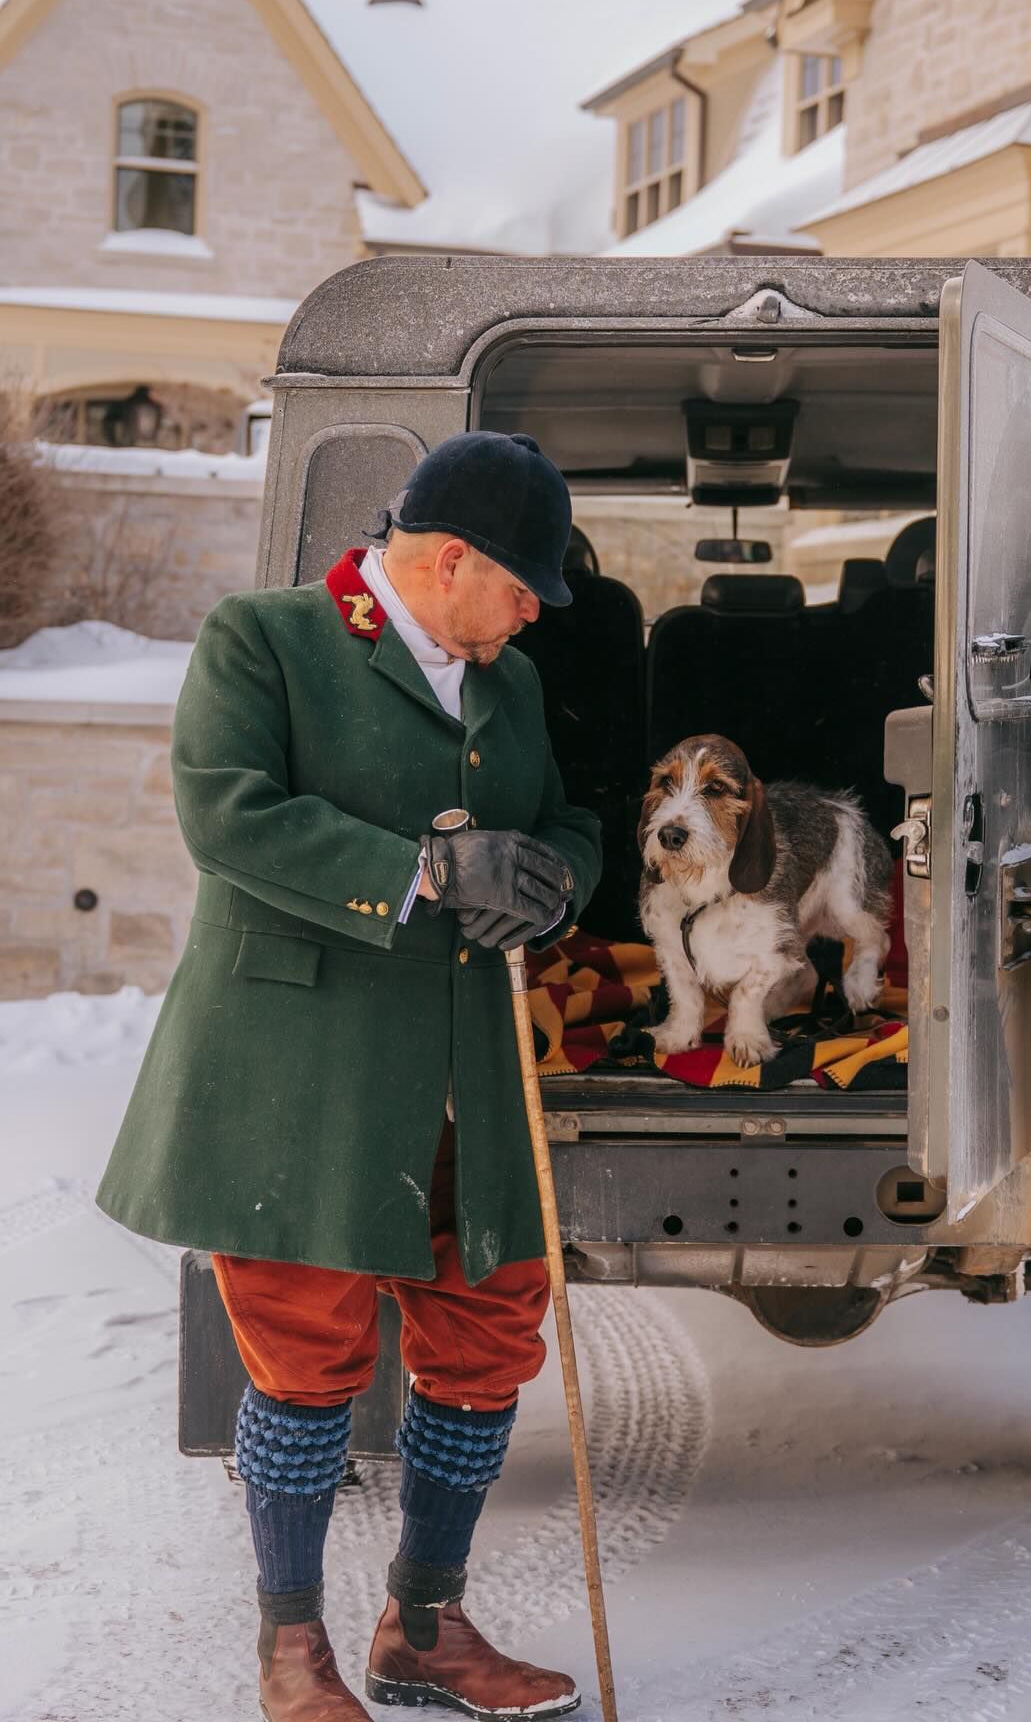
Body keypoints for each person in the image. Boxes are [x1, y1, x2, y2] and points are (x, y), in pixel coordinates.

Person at [98, 431, 601, 1721]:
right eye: (523, 587)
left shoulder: (512, 683)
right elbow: (227, 813)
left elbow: (564, 819)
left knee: (489, 1329)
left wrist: (553, 880)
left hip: (465, 1078)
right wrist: (433, 871)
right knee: (305, 1357)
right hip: (299, 1076)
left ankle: (422, 1629)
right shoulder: (261, 638)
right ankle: (292, 1651)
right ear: (449, 557)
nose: (535, 613)